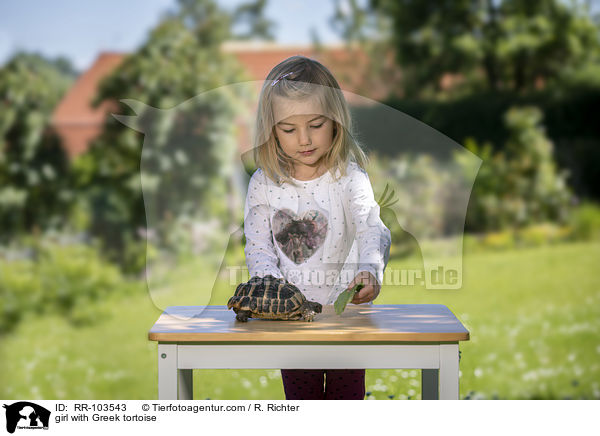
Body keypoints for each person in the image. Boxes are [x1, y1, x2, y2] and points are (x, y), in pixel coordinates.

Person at [243, 55, 391, 400]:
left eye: (316, 124)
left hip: (347, 315)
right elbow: (259, 247)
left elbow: (373, 227)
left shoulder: (349, 176)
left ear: (336, 121)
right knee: (302, 406)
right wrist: (272, 294)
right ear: (271, 129)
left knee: (346, 404)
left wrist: (370, 269)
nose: (304, 139)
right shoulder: (263, 184)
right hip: (292, 321)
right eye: (289, 129)